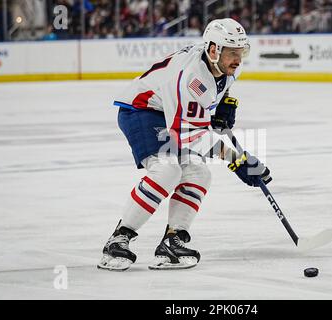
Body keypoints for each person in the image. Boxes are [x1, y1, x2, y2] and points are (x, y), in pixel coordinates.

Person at [97, 18, 272, 271]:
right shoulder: (191, 77)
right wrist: (237, 160)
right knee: (167, 169)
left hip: (171, 111)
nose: (238, 59)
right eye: (232, 53)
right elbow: (192, 135)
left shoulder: (224, 63)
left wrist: (221, 106)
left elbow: (219, 89)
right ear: (213, 50)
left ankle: (172, 241)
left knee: (199, 173)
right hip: (142, 110)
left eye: (241, 52)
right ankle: (119, 239)